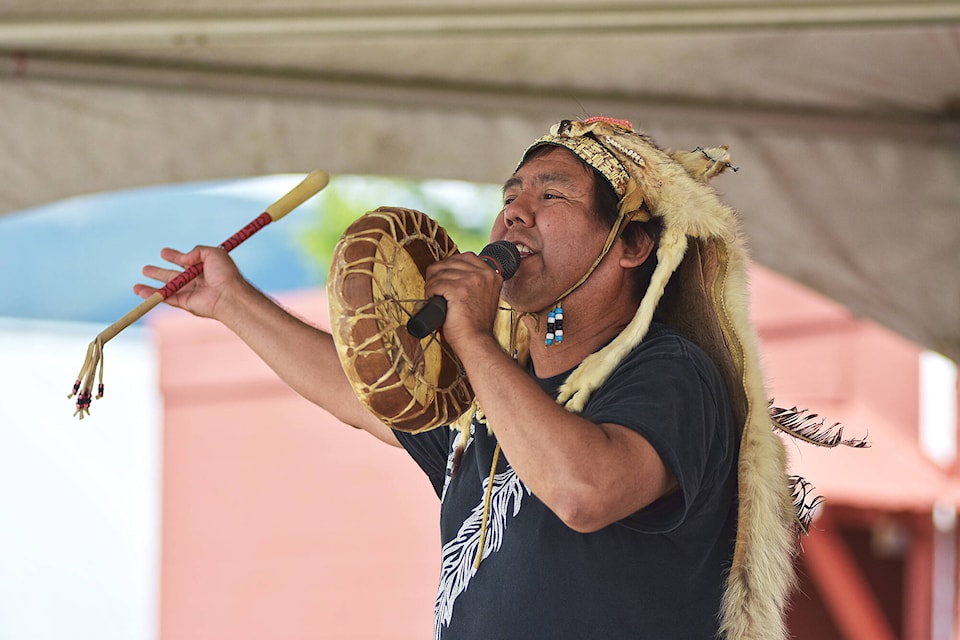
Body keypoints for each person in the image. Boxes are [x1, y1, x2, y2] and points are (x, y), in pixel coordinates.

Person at [137, 117, 798, 640]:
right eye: (510, 196)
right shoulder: (488, 396)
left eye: (552, 195)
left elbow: (584, 490)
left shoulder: (669, 372)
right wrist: (231, 301)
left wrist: (472, 339)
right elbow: (363, 396)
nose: (514, 212)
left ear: (630, 245)